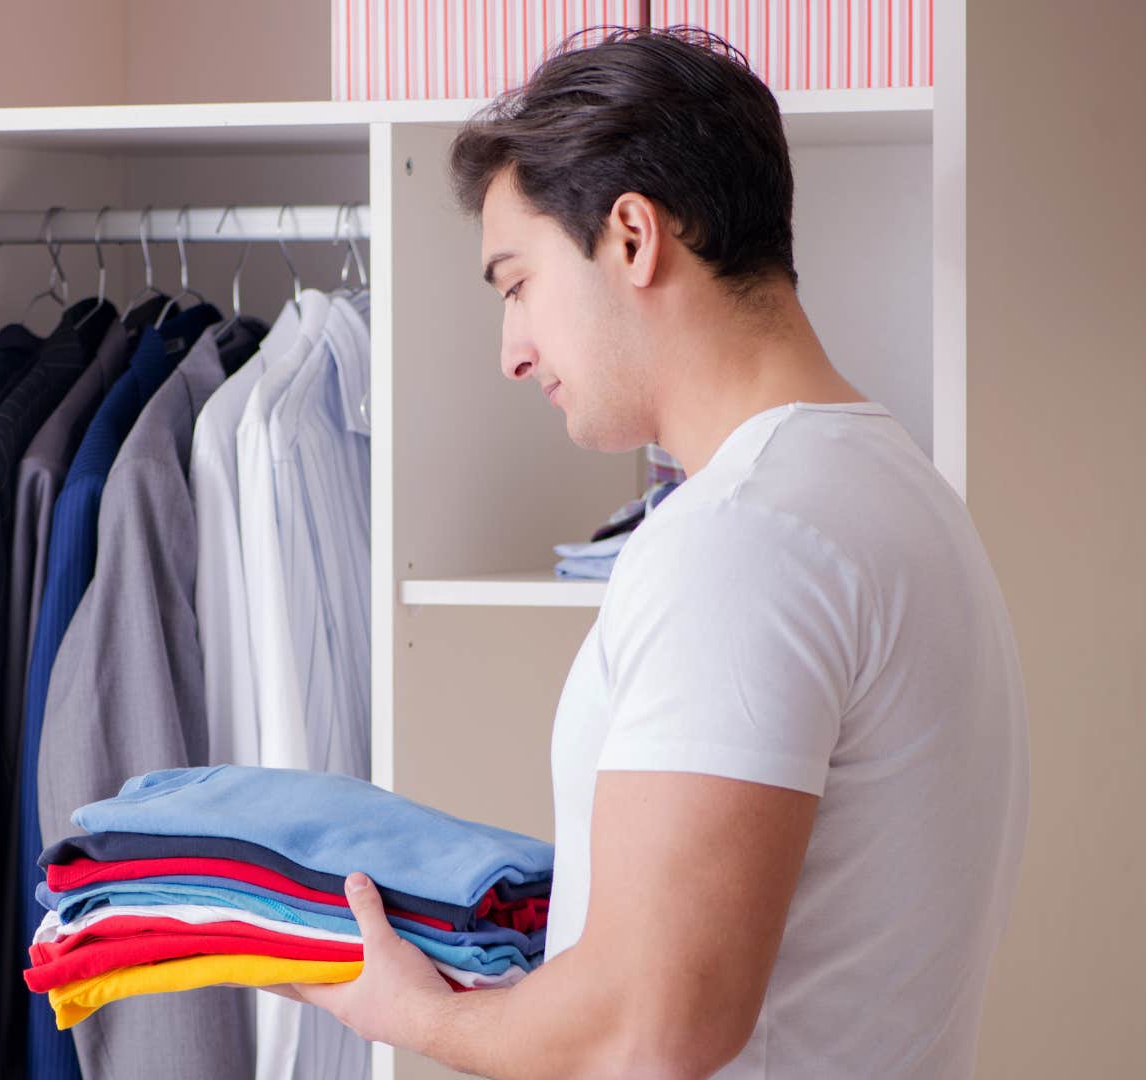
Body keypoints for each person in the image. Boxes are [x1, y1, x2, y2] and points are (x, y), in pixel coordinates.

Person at [268, 26, 1029, 1079]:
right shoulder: (898, 492)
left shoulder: (740, 540)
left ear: (632, 236)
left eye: (516, 284)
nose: (511, 352)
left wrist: (413, 1014)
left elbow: (652, 1026)